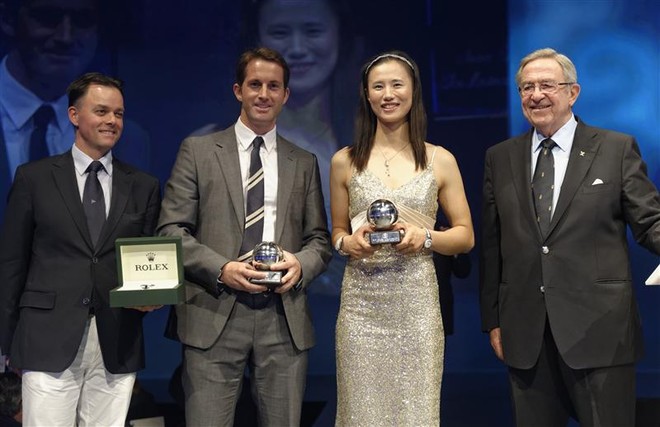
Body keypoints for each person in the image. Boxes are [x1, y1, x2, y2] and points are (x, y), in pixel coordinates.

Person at [480, 47, 660, 427]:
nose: (536, 94)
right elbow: (493, 245)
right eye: (526, 87)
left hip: (601, 330)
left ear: (573, 93)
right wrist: (493, 320)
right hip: (525, 333)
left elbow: (650, 221)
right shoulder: (500, 157)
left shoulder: (615, 148)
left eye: (547, 84)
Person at [157, 47, 332, 426]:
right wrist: (222, 269)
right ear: (238, 90)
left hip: (282, 318)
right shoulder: (199, 151)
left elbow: (320, 240)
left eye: (273, 86)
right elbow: (171, 230)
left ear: (286, 95)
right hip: (214, 310)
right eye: (255, 84)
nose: (263, 94)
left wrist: (300, 264)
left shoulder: (303, 162)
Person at [0, 72, 161, 426]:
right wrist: (6, 343)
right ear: (74, 115)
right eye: (101, 111)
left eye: (118, 114)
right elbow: (11, 264)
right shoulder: (34, 178)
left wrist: (152, 294)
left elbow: (148, 261)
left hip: (116, 340)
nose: (112, 121)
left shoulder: (144, 186)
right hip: (46, 337)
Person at [330, 50, 474, 425]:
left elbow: (464, 236)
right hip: (361, 306)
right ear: (366, 94)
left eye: (397, 84)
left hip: (417, 305)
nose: (388, 94)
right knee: (361, 412)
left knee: (415, 413)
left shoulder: (440, 159)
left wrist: (425, 237)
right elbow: (337, 233)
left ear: (413, 92)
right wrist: (348, 243)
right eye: (378, 86)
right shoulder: (344, 161)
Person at [0, 0, 150, 222]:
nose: (65, 37)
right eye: (47, 17)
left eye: (83, 21)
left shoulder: (129, 140)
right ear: (8, 19)